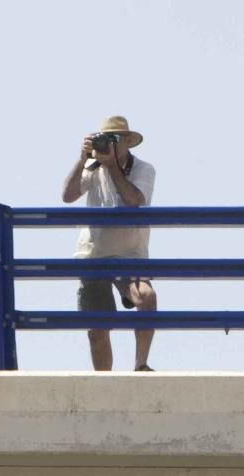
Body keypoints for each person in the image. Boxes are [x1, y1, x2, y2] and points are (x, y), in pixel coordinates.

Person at [61, 115, 157, 371]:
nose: (108, 145)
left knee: (146, 298)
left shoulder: (143, 169)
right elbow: (67, 196)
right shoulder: (92, 167)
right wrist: (82, 159)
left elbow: (135, 200)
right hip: (94, 254)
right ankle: (104, 380)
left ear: (127, 141)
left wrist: (113, 166)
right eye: (104, 140)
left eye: (114, 140)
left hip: (131, 254)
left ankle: (141, 364)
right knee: (97, 327)